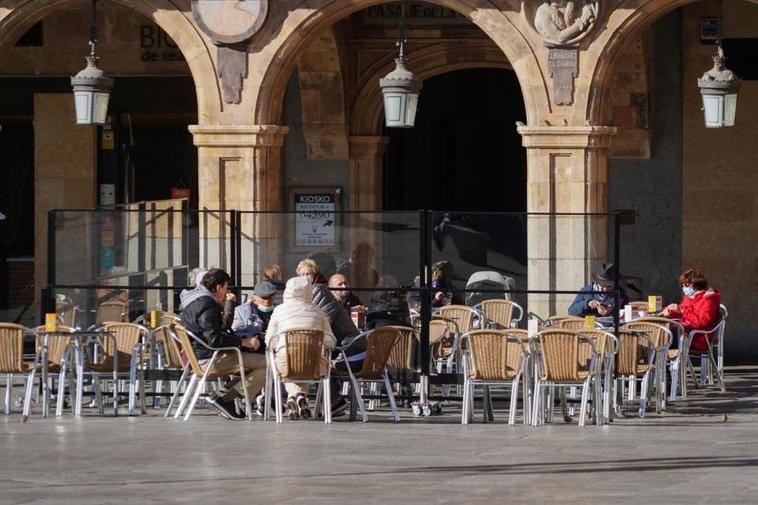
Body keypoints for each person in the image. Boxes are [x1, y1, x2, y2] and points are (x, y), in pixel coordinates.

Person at [179, 268, 267, 420]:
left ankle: (221, 395)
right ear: (218, 287)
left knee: (251, 367)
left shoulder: (193, 301)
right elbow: (214, 340)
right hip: (209, 359)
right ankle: (225, 399)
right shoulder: (207, 304)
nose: (226, 291)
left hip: (197, 356)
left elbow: (214, 331)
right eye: (226, 287)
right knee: (268, 365)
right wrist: (243, 341)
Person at [264, 276, 336, 420]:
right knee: (306, 361)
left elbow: (269, 341)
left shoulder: (279, 310)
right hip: (314, 365)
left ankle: (294, 397)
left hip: (286, 364)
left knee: (288, 364)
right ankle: (299, 396)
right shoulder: (318, 312)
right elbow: (330, 341)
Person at [297, 259, 361, 416]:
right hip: (349, 352)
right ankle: (330, 402)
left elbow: (320, 325)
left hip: (351, 354)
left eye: (309, 274)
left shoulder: (320, 293)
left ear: (315, 276)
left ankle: (331, 402)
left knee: (318, 362)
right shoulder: (306, 294)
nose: (306, 278)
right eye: (302, 274)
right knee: (315, 360)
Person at [661, 269, 721, 352]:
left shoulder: (709, 299)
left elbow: (702, 321)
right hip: (684, 333)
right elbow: (682, 312)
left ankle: (657, 363)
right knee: (659, 334)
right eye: (682, 286)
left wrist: (682, 310)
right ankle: (658, 363)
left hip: (697, 337)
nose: (684, 288)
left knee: (662, 338)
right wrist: (670, 311)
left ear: (696, 283)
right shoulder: (689, 298)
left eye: (686, 285)